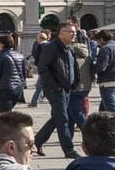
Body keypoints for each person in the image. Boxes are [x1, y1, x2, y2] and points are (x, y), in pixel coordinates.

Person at [32, 21, 88, 159]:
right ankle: (68, 149)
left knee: (57, 117)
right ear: (61, 33)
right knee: (63, 119)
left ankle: (36, 142)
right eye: (71, 32)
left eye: (75, 32)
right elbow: (43, 68)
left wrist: (74, 83)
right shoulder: (51, 48)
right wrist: (55, 85)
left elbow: (73, 67)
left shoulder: (69, 48)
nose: (74, 34)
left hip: (67, 89)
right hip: (55, 89)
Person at [0, 33, 27, 113]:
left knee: (5, 116)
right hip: (17, 89)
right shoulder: (19, 55)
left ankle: (12, 125)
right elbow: (23, 73)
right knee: (8, 113)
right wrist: (23, 86)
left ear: (2, 44)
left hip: (5, 89)